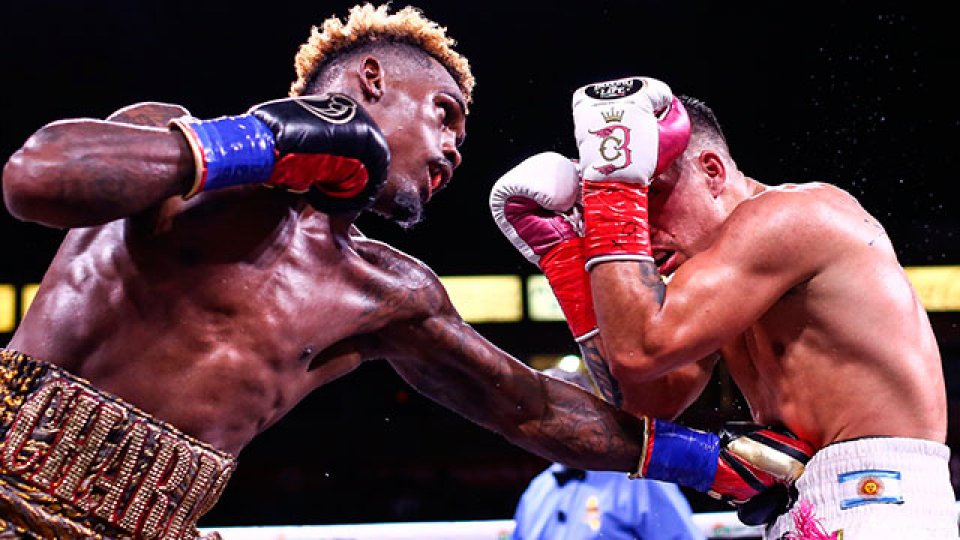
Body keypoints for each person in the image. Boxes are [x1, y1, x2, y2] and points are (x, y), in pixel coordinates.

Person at [0, 4, 809, 536]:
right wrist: (263, 142)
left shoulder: (384, 291)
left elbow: (525, 408)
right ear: (371, 83)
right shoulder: (168, 150)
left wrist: (706, 460)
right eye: (445, 116)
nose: (456, 148)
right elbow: (34, 178)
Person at [493, 75, 955, 538]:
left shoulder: (791, 217)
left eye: (648, 194)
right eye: (632, 203)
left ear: (712, 172)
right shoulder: (714, 275)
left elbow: (639, 351)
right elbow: (648, 398)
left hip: (880, 502)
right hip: (809, 506)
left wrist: (612, 190)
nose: (642, 230)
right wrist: (565, 256)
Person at [512, 368, 704, 540]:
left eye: (555, 415)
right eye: (542, 417)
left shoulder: (638, 483)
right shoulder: (537, 491)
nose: (551, 428)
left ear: (588, 416)